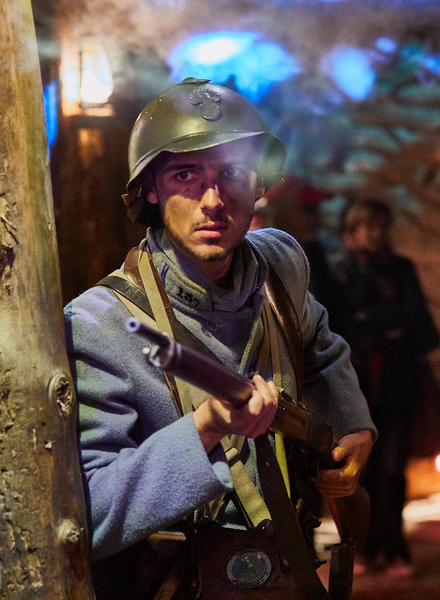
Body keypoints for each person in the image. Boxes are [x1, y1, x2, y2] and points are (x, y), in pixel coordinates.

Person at [63, 78, 376, 600]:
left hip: (290, 574)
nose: (213, 199)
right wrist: (204, 429)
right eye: (186, 175)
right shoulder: (100, 324)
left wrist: (350, 424)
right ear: (152, 189)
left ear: (258, 182)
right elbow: (91, 515)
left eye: (231, 172)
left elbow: (321, 345)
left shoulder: (281, 268)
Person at [326, 199, 440, 577]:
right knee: (365, 472)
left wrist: (371, 322)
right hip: (356, 388)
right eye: (368, 227)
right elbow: (335, 324)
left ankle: (396, 547)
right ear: (351, 230)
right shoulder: (338, 271)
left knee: (393, 470)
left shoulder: (401, 270)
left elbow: (416, 320)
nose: (376, 235)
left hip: (397, 384)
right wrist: (378, 322)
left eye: (380, 227)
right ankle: (368, 547)